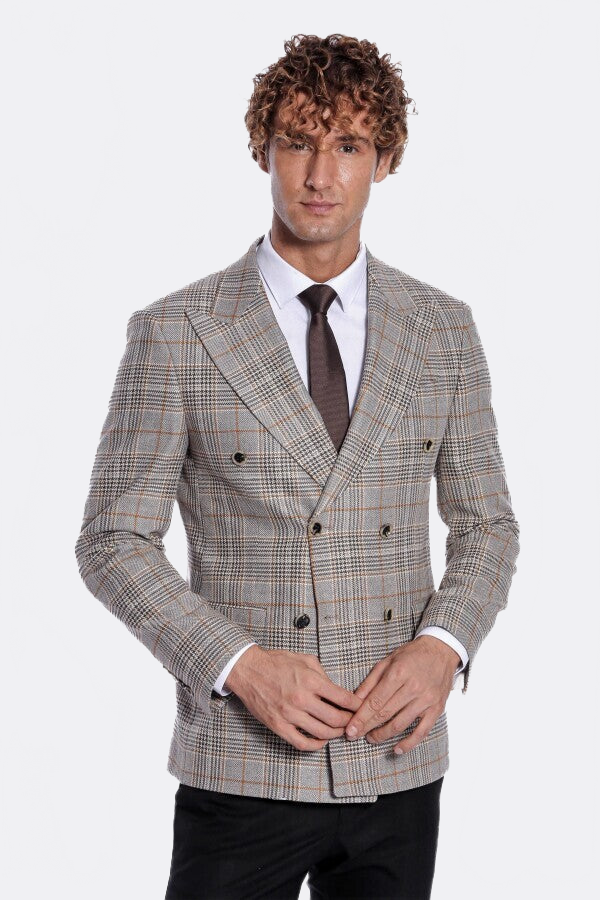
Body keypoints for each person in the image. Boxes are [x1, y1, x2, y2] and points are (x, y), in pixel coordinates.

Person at [75, 32, 520, 900]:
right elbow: (112, 541)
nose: (320, 175)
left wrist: (444, 647)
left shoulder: (442, 329)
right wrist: (238, 664)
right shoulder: (177, 332)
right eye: (297, 142)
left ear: (384, 160)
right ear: (262, 150)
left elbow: (488, 525)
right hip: (243, 761)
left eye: (348, 145)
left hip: (397, 757)